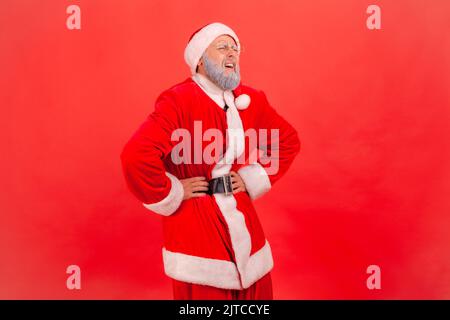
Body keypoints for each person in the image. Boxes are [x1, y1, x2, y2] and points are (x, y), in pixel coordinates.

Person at [120, 22, 300, 299]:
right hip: (198, 230)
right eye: (222, 47)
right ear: (200, 60)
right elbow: (136, 155)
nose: (232, 54)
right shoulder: (178, 99)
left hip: (246, 226)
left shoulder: (249, 99)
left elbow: (286, 140)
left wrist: (252, 177)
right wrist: (173, 191)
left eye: (235, 48)